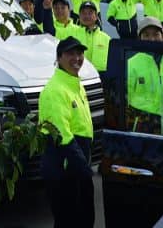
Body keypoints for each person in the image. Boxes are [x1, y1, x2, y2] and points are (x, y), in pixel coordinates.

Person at [38, 37, 95, 228]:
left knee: (83, 218)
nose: (77, 58)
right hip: (65, 167)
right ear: (59, 57)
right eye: (71, 53)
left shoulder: (75, 84)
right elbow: (61, 136)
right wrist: (84, 168)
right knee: (69, 221)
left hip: (77, 164)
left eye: (79, 53)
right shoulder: (54, 90)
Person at [72, 1, 111, 72]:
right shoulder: (72, 36)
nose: (86, 16)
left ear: (96, 16)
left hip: (101, 79)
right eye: (83, 13)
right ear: (79, 16)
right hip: (77, 77)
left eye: (90, 13)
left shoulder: (106, 38)